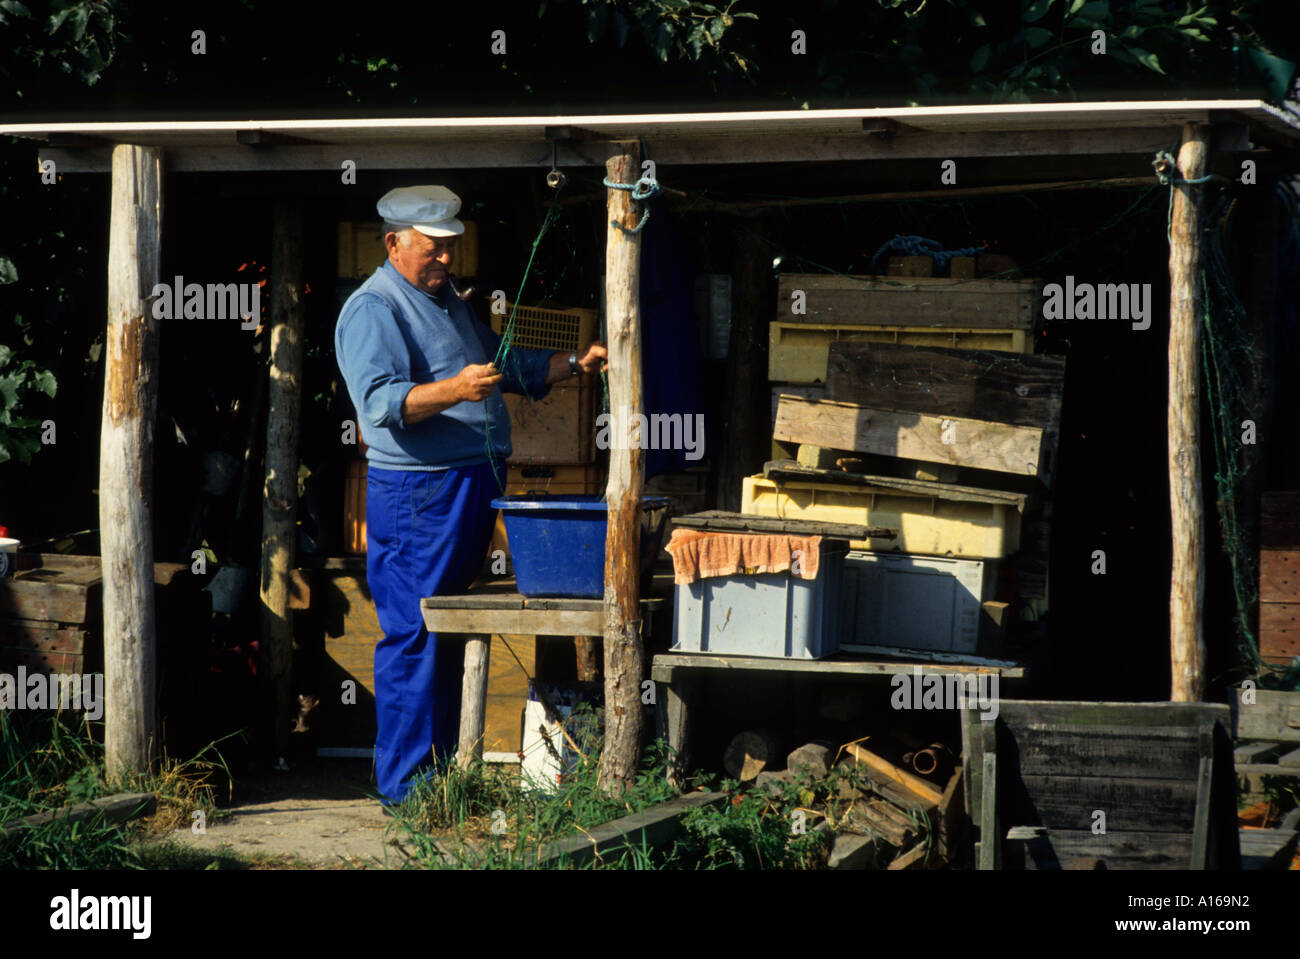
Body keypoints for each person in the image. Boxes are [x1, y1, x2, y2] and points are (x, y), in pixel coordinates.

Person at [334, 185, 607, 805]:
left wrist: (570, 362)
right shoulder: (373, 309)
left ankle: (444, 782)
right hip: (417, 496)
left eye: (451, 248)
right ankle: (406, 791)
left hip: (467, 485)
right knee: (415, 634)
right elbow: (380, 407)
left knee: (450, 630)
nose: (446, 260)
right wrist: (454, 390)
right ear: (394, 243)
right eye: (433, 249)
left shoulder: (445, 303)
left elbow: (498, 364)